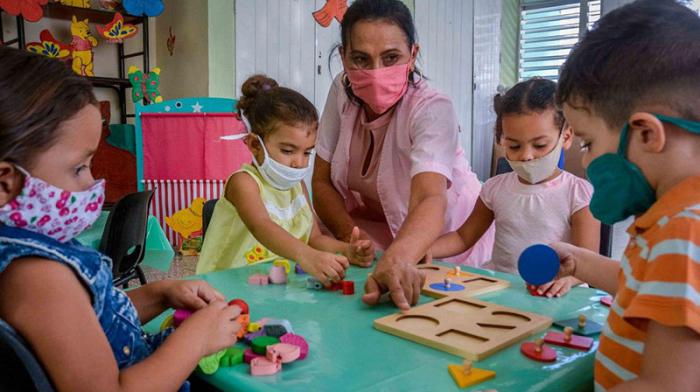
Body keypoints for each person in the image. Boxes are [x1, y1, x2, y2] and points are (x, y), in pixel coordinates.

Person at [0, 46, 241, 391]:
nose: (92, 182)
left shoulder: (34, 258)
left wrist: (161, 293)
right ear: (6, 182)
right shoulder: (39, 277)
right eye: (79, 167)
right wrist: (197, 340)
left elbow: (89, 322)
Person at [552, 0, 700, 390]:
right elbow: (647, 285)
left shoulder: (683, 231)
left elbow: (668, 386)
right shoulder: (675, 220)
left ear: (647, 134)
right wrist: (581, 263)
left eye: (587, 142)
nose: (584, 162)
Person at [312, 0, 493, 310]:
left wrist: (398, 257)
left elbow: (428, 199)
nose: (376, 72)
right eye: (361, 59)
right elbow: (322, 181)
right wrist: (351, 239)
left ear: (413, 54)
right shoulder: (341, 91)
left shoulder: (433, 109)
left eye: (391, 57)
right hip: (380, 234)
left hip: (444, 236)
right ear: (343, 57)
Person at [431, 78, 600, 297]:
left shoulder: (578, 193)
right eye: (513, 146)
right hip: (502, 292)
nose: (526, 155)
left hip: (556, 297)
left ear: (566, 137)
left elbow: (588, 263)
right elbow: (463, 238)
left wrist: (568, 279)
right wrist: (421, 249)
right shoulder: (494, 188)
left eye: (539, 145)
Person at [197, 75, 373, 284]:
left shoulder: (297, 187)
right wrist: (306, 255)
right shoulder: (243, 183)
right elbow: (262, 227)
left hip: (271, 288)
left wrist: (347, 251)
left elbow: (314, 239)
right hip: (224, 288)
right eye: (288, 151)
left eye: (307, 153)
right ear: (255, 145)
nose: (299, 163)